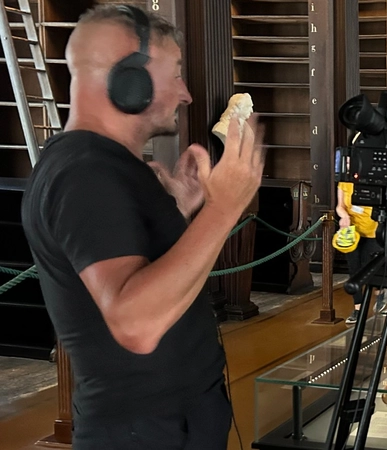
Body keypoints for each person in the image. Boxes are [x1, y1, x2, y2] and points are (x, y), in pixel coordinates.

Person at [21, 5, 263, 448]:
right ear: (127, 77)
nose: (186, 94)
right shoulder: (84, 174)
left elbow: (141, 266)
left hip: (171, 424)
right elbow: (135, 325)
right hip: (144, 433)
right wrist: (223, 209)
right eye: (174, 74)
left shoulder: (109, 167)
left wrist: (180, 211)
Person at [335, 181, 383, 324]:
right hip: (352, 232)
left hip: (373, 231)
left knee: (367, 266)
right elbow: (340, 206)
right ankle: (358, 308)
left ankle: (380, 292)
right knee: (354, 269)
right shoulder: (344, 183)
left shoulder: (373, 180)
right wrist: (344, 216)